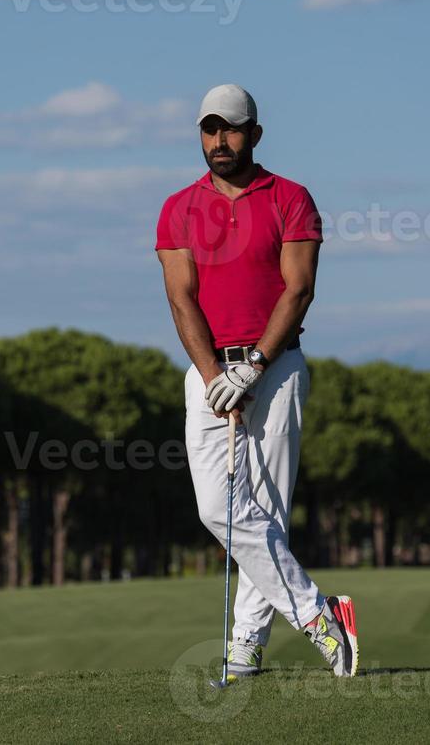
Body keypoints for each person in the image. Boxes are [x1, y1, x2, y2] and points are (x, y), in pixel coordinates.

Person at [155, 83, 359, 679]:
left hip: (276, 368)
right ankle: (318, 613)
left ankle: (246, 643)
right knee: (217, 507)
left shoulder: (290, 198)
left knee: (266, 506)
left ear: (255, 134)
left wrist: (254, 367)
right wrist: (218, 376)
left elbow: (299, 289)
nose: (220, 141)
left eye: (232, 129)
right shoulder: (177, 208)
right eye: (209, 129)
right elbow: (180, 297)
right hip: (209, 372)